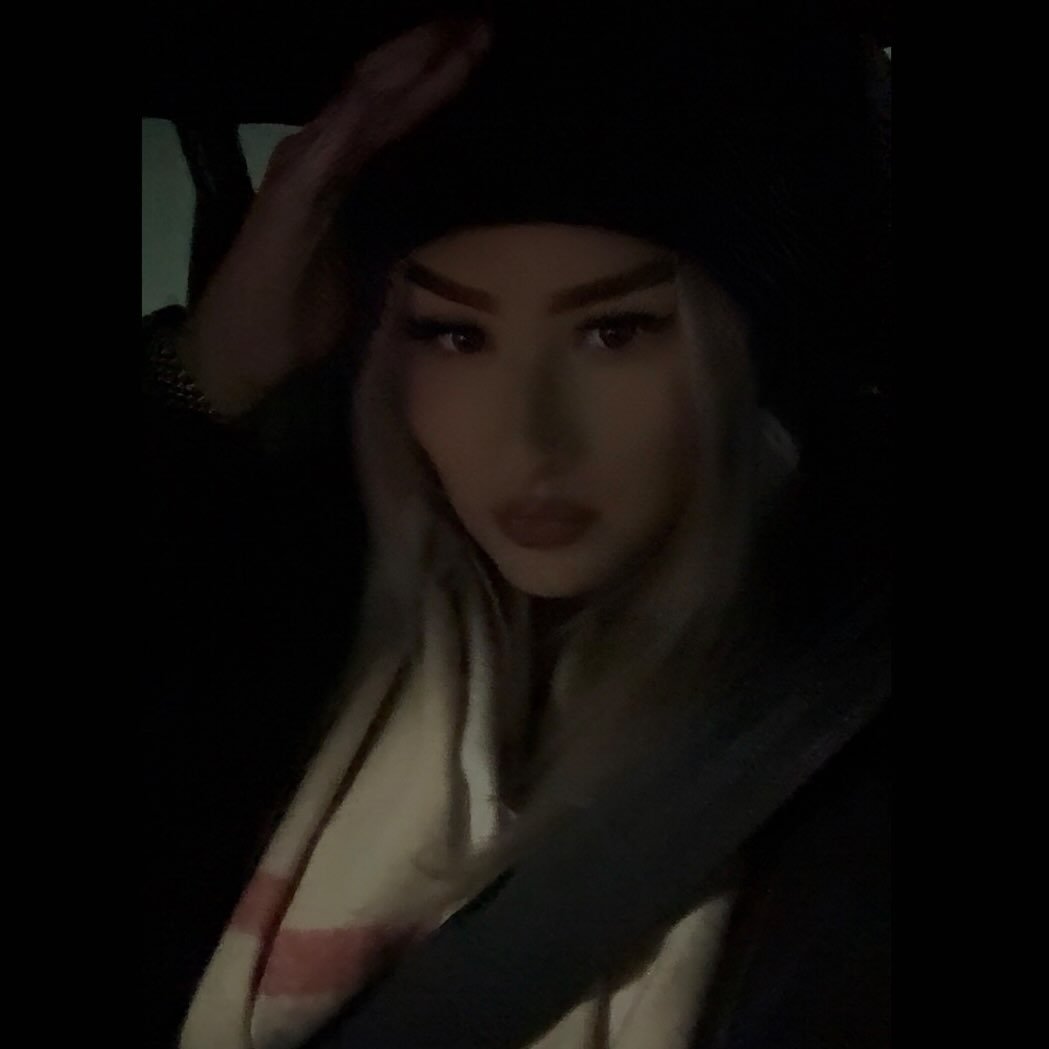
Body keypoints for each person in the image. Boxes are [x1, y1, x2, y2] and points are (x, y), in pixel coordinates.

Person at [144, 7, 891, 1048]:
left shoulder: (827, 737)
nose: (529, 436)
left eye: (614, 331)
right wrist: (213, 369)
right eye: (453, 334)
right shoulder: (284, 626)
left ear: (745, 360)